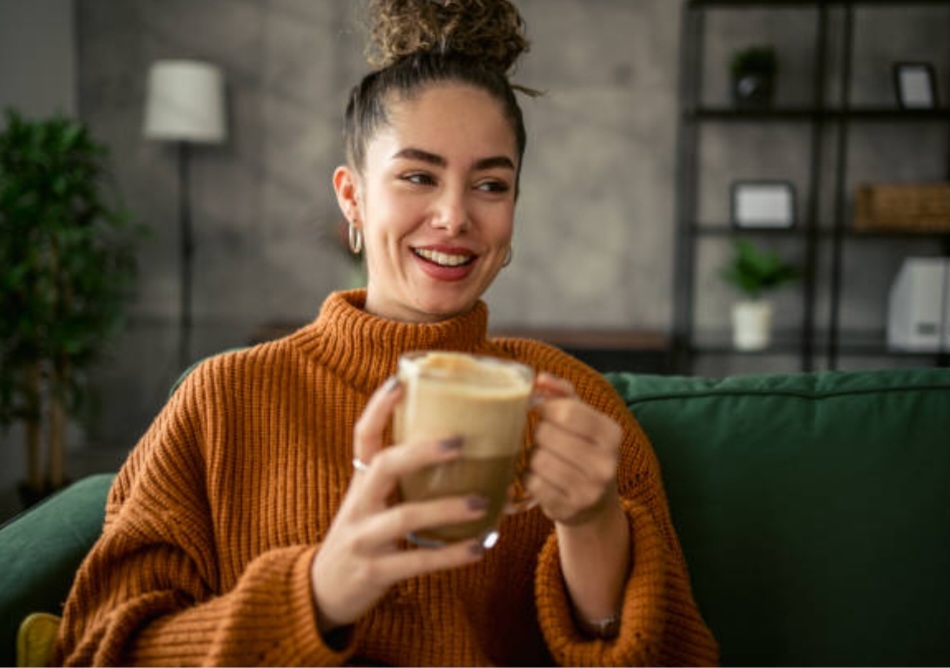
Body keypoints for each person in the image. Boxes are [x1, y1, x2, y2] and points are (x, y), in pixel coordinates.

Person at [53, 0, 718, 665]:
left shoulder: (578, 405)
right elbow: (93, 650)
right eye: (417, 177)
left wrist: (595, 527)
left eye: (490, 184)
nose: (455, 216)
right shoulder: (220, 401)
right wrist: (317, 594)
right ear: (352, 196)